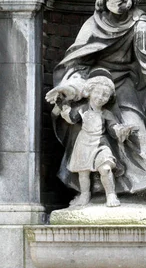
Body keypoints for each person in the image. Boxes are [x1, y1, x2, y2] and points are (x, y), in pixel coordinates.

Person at [46, 0, 146, 208]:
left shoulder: (141, 26)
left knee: (135, 128)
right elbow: (77, 65)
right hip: (94, 84)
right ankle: (90, 188)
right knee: (83, 126)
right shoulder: (92, 25)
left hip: (127, 85)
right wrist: (69, 90)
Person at [55, 74, 135, 208]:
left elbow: (113, 127)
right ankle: (85, 194)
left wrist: (120, 130)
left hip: (100, 144)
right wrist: (64, 106)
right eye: (97, 92)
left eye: (105, 95)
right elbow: (71, 118)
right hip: (84, 143)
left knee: (105, 168)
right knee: (83, 172)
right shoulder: (82, 109)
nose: (100, 97)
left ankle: (111, 194)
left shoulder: (106, 113)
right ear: (90, 92)